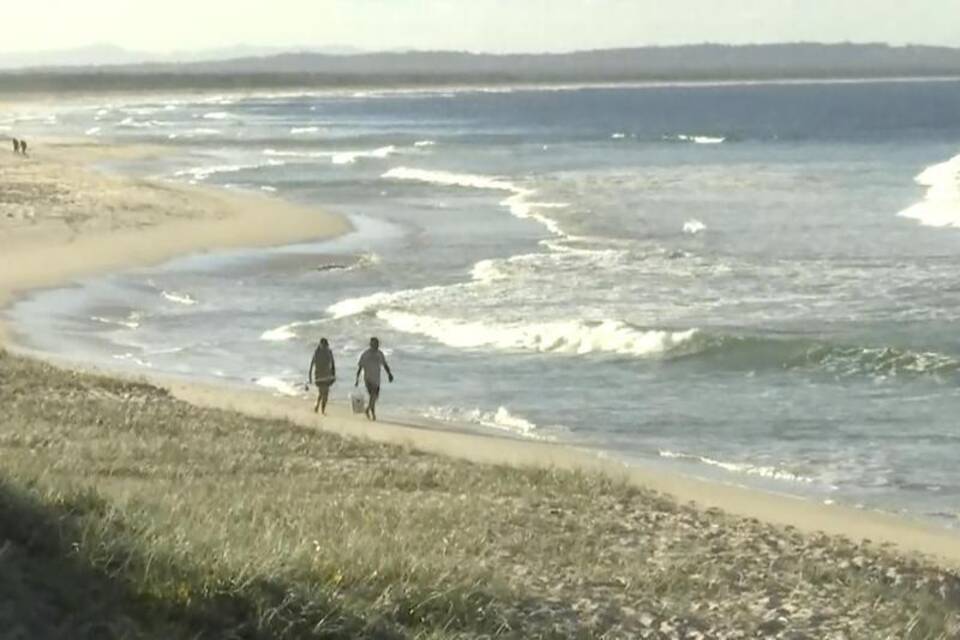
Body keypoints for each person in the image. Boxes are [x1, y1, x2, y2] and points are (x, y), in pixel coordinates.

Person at [355, 337, 394, 421]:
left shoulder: (380, 354)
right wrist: (357, 379)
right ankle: (372, 414)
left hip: (377, 379)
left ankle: (368, 410)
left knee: (374, 398)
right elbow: (360, 367)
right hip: (368, 378)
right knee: (373, 396)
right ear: (370, 344)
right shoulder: (365, 354)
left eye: (376, 344)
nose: (375, 345)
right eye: (373, 344)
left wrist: (389, 374)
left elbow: (385, 365)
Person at [308, 337, 336, 415]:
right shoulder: (316, 353)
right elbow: (311, 365)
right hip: (319, 376)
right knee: (324, 393)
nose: (324, 347)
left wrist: (334, 375)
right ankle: (322, 410)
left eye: (325, 345)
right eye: (323, 345)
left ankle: (318, 407)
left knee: (323, 393)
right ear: (320, 345)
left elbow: (333, 364)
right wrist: (310, 376)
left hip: (327, 376)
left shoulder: (329, 352)